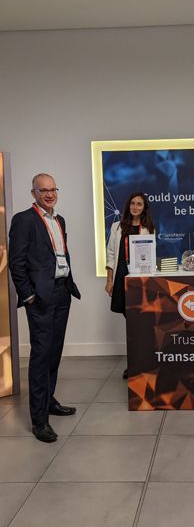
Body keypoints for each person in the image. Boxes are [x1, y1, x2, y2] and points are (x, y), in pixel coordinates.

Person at [8, 173, 80, 442]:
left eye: (53, 190)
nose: (49, 194)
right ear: (33, 193)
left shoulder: (59, 220)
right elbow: (17, 263)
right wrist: (28, 296)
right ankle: (39, 420)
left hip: (62, 293)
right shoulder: (24, 220)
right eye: (43, 190)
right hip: (40, 298)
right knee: (40, 356)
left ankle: (49, 401)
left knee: (54, 352)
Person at [105, 192, 155, 379]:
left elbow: (150, 256)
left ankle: (143, 362)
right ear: (128, 206)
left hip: (139, 280)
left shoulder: (148, 229)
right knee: (131, 324)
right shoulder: (117, 226)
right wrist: (109, 280)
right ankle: (133, 364)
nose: (135, 207)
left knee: (140, 324)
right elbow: (110, 254)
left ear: (144, 208)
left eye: (139, 204)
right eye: (132, 203)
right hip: (120, 277)